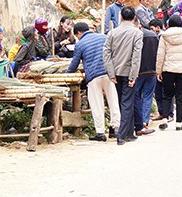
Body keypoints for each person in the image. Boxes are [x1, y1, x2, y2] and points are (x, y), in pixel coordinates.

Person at [65, 21, 115, 142]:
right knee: (114, 101)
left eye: (76, 36)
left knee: (97, 104)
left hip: (93, 77)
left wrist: (67, 74)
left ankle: (100, 133)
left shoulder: (80, 44)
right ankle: (116, 128)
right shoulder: (104, 37)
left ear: (79, 33)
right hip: (109, 74)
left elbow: (74, 64)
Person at [103, 12, 143, 145]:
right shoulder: (137, 33)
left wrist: (111, 73)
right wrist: (133, 76)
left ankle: (129, 132)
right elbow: (136, 56)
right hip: (128, 72)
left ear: (121, 17)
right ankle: (121, 134)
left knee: (121, 101)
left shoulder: (112, 33)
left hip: (115, 72)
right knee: (127, 103)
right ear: (134, 18)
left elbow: (106, 53)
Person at [156, 14, 182, 131]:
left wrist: (159, 71)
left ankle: (164, 119)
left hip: (168, 69)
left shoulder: (163, 36)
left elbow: (160, 55)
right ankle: (179, 122)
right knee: (180, 96)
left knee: (167, 95)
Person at [136, 17, 161, 133]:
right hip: (151, 70)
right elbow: (158, 53)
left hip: (138, 71)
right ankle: (145, 121)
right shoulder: (153, 35)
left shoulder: (135, 35)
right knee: (147, 96)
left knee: (136, 96)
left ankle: (137, 121)